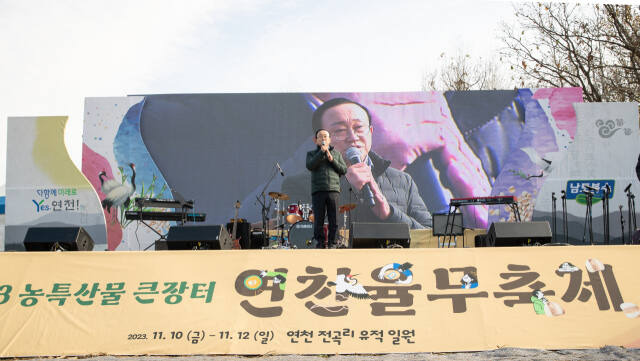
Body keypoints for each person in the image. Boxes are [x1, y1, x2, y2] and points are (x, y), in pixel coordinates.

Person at [283, 98, 431, 229]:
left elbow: (428, 235)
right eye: (340, 130)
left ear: (371, 132)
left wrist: (389, 213)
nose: (353, 137)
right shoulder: (299, 184)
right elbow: (298, 234)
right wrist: (347, 187)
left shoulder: (402, 180)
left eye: (359, 128)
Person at [306, 129, 347, 248]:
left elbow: (343, 170)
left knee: (334, 219)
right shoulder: (311, 154)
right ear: (316, 140)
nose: (323, 139)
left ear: (330, 139)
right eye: (320, 137)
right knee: (318, 219)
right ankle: (320, 244)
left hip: (333, 190)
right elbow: (310, 165)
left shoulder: (336, 154)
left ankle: (333, 243)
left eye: (325, 136)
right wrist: (321, 153)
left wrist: (331, 159)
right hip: (318, 190)